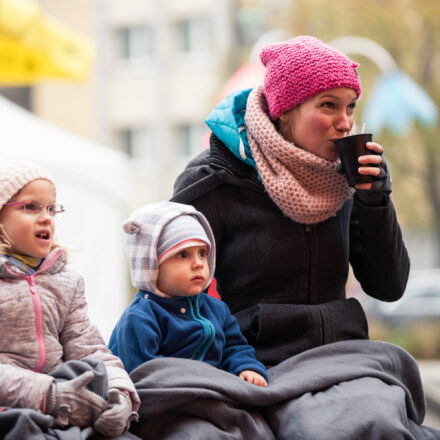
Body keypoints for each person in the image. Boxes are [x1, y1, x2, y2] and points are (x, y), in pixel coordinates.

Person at [166, 36, 440, 438]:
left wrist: (376, 203)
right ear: (285, 111)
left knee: (377, 421)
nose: (345, 122)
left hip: (346, 360)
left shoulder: (348, 181)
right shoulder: (215, 179)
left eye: (350, 106)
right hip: (254, 365)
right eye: (328, 105)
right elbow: (169, 292)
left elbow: (389, 287)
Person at [0, 159, 140, 438]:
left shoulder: (67, 282)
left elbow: (89, 349)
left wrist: (121, 394)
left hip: (63, 406)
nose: (45, 217)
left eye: (51, 208)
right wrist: (47, 394)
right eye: (30, 207)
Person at [109, 201, 268, 387]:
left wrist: (246, 367)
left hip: (210, 390)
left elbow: (234, 347)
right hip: (164, 396)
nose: (199, 263)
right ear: (152, 265)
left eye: (202, 253)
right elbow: (142, 372)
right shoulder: (141, 316)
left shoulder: (216, 309)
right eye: (183, 255)